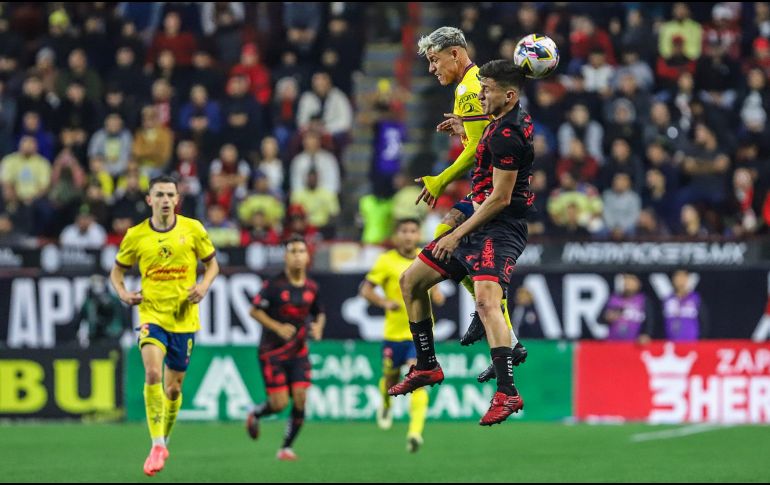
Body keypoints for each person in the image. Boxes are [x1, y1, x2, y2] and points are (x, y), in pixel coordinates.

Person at [390, 60, 534, 426]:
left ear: (509, 95)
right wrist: (466, 131)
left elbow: (500, 198)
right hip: (476, 217)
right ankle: (427, 365)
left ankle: (507, 393)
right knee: (411, 281)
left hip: (498, 228)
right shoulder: (500, 123)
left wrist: (456, 233)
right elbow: (486, 145)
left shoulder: (507, 135)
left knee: (487, 301)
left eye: (487, 89)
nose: (480, 93)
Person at [413, 26, 527, 381]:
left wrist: (440, 178)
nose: (433, 69)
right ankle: (507, 337)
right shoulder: (476, 84)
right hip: (484, 192)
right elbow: (480, 141)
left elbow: (479, 150)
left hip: (491, 197)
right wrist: (464, 128)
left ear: (455, 54)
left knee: (451, 245)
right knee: (445, 228)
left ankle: (500, 336)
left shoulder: (468, 88)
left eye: (435, 60)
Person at [110, 175, 219, 476]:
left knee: (173, 389)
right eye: (159, 195)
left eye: (171, 195)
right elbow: (116, 273)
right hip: (151, 315)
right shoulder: (135, 235)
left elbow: (213, 264)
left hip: (184, 320)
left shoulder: (193, 229)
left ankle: (164, 439)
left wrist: (204, 285)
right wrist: (123, 294)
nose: (166, 200)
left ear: (177, 199)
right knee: (153, 372)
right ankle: (156, 443)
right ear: (149, 200)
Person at [359, 219, 445, 452]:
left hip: (419, 333)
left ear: (418, 234)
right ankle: (386, 404)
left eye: (413, 231)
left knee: (418, 378)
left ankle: (415, 433)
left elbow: (435, 287)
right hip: (393, 333)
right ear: (397, 235)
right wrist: (384, 302)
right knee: (390, 376)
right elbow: (365, 289)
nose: (408, 236)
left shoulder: (427, 258)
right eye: (404, 231)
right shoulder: (386, 261)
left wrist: (437, 294)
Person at [246, 235, 326, 461]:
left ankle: (286, 448)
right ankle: (256, 413)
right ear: (286, 256)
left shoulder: (312, 286)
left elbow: (319, 312)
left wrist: (318, 327)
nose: (298, 256)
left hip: (298, 352)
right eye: (293, 251)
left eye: (302, 251)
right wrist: (277, 327)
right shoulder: (274, 285)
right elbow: (254, 310)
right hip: (272, 353)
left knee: (300, 398)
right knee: (279, 404)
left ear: (307, 256)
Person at [599, 274, 654, 343]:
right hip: (612, 343)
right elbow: (599, 319)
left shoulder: (642, 300)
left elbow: (650, 320)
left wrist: (646, 334)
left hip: (634, 345)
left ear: (638, 283)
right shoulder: (613, 298)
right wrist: (607, 317)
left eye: (631, 280)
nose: (627, 283)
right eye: (625, 280)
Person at [662, 269, 708, 341]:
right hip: (671, 343)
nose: (680, 280)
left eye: (683, 277)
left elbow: (704, 320)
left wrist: (702, 339)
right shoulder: (667, 299)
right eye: (678, 277)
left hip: (692, 343)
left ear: (688, 279)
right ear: (673, 280)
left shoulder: (695, 298)